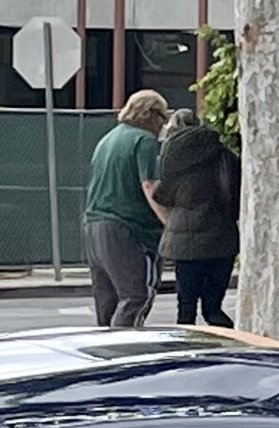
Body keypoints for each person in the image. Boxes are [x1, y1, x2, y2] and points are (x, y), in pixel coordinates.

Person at [82, 89, 172, 327]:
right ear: (151, 114)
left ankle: (105, 350)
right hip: (128, 227)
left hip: (94, 224)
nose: (163, 125)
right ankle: (123, 349)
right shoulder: (144, 140)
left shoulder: (108, 139)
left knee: (107, 299)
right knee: (137, 295)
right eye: (162, 118)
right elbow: (149, 185)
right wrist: (169, 223)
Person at [153, 106, 241, 326]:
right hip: (221, 238)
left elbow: (163, 195)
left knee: (186, 309)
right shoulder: (223, 154)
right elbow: (237, 192)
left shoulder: (171, 155)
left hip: (185, 243)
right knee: (213, 309)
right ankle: (226, 350)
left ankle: (186, 353)